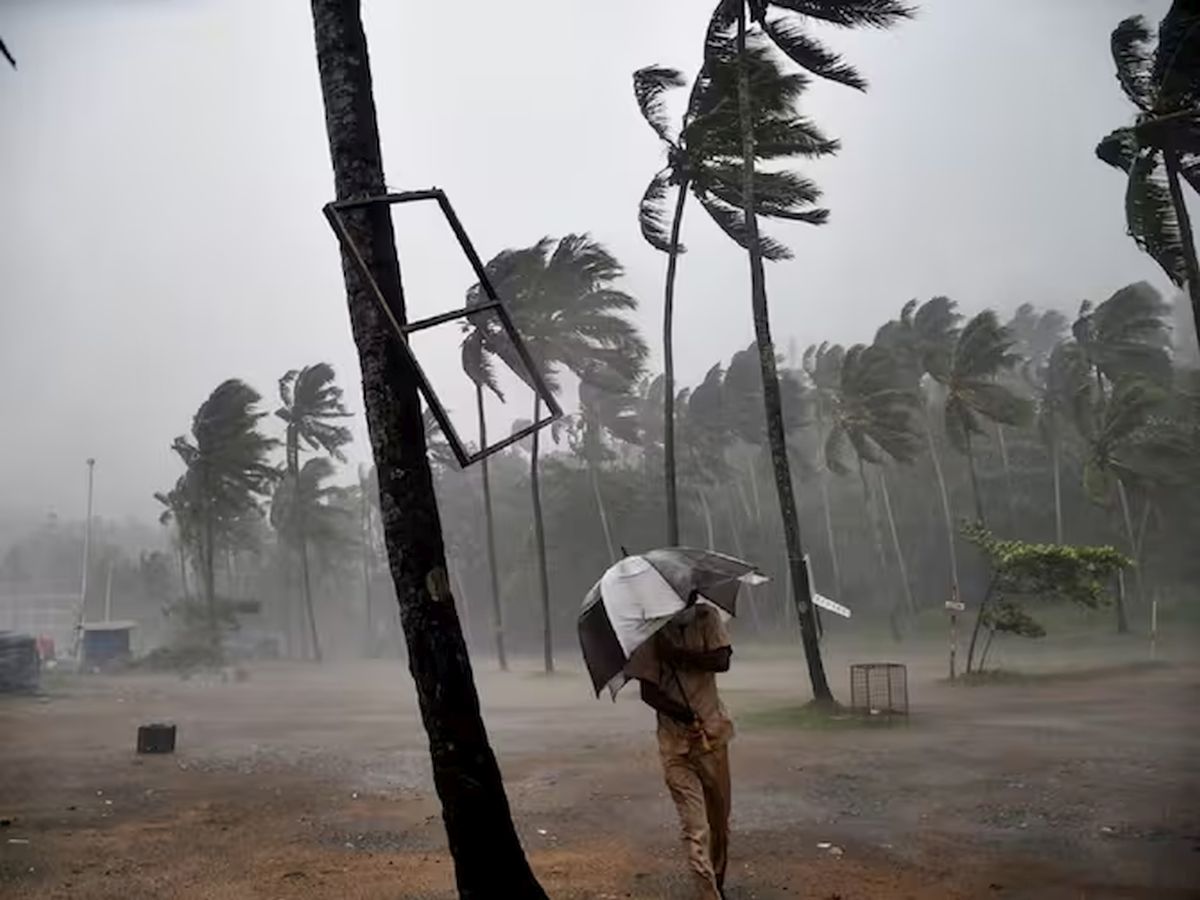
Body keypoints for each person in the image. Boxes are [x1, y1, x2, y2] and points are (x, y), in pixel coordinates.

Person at [628, 599, 734, 900]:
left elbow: (722, 660)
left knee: (719, 823)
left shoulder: (707, 617)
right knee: (695, 826)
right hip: (675, 745)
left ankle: (718, 880)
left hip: (713, 736)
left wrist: (678, 656)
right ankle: (707, 894)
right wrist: (682, 713)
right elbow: (648, 692)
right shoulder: (651, 632)